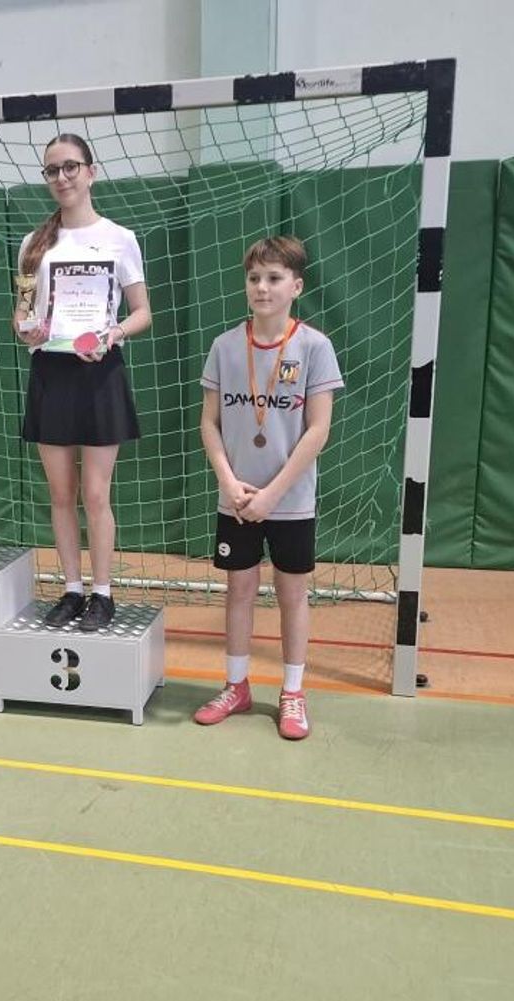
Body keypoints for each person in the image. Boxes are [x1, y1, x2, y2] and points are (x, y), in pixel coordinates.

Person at [193, 236, 341, 740]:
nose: (262, 287)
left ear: (296, 286)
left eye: (274, 278)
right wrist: (227, 479)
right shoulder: (224, 346)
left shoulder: (314, 347)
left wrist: (274, 493)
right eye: (254, 278)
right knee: (238, 589)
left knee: (291, 592)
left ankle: (293, 692)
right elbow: (209, 422)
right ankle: (236, 686)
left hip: (290, 500)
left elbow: (318, 430)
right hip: (236, 498)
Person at [14, 133, 151, 632]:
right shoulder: (34, 243)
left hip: (99, 373)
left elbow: (142, 312)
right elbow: (21, 315)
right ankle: (71, 589)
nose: (62, 177)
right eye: (52, 170)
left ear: (91, 172)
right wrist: (27, 329)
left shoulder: (120, 238)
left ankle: (102, 594)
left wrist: (114, 333)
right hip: (51, 373)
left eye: (70, 166)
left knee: (96, 494)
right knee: (60, 493)